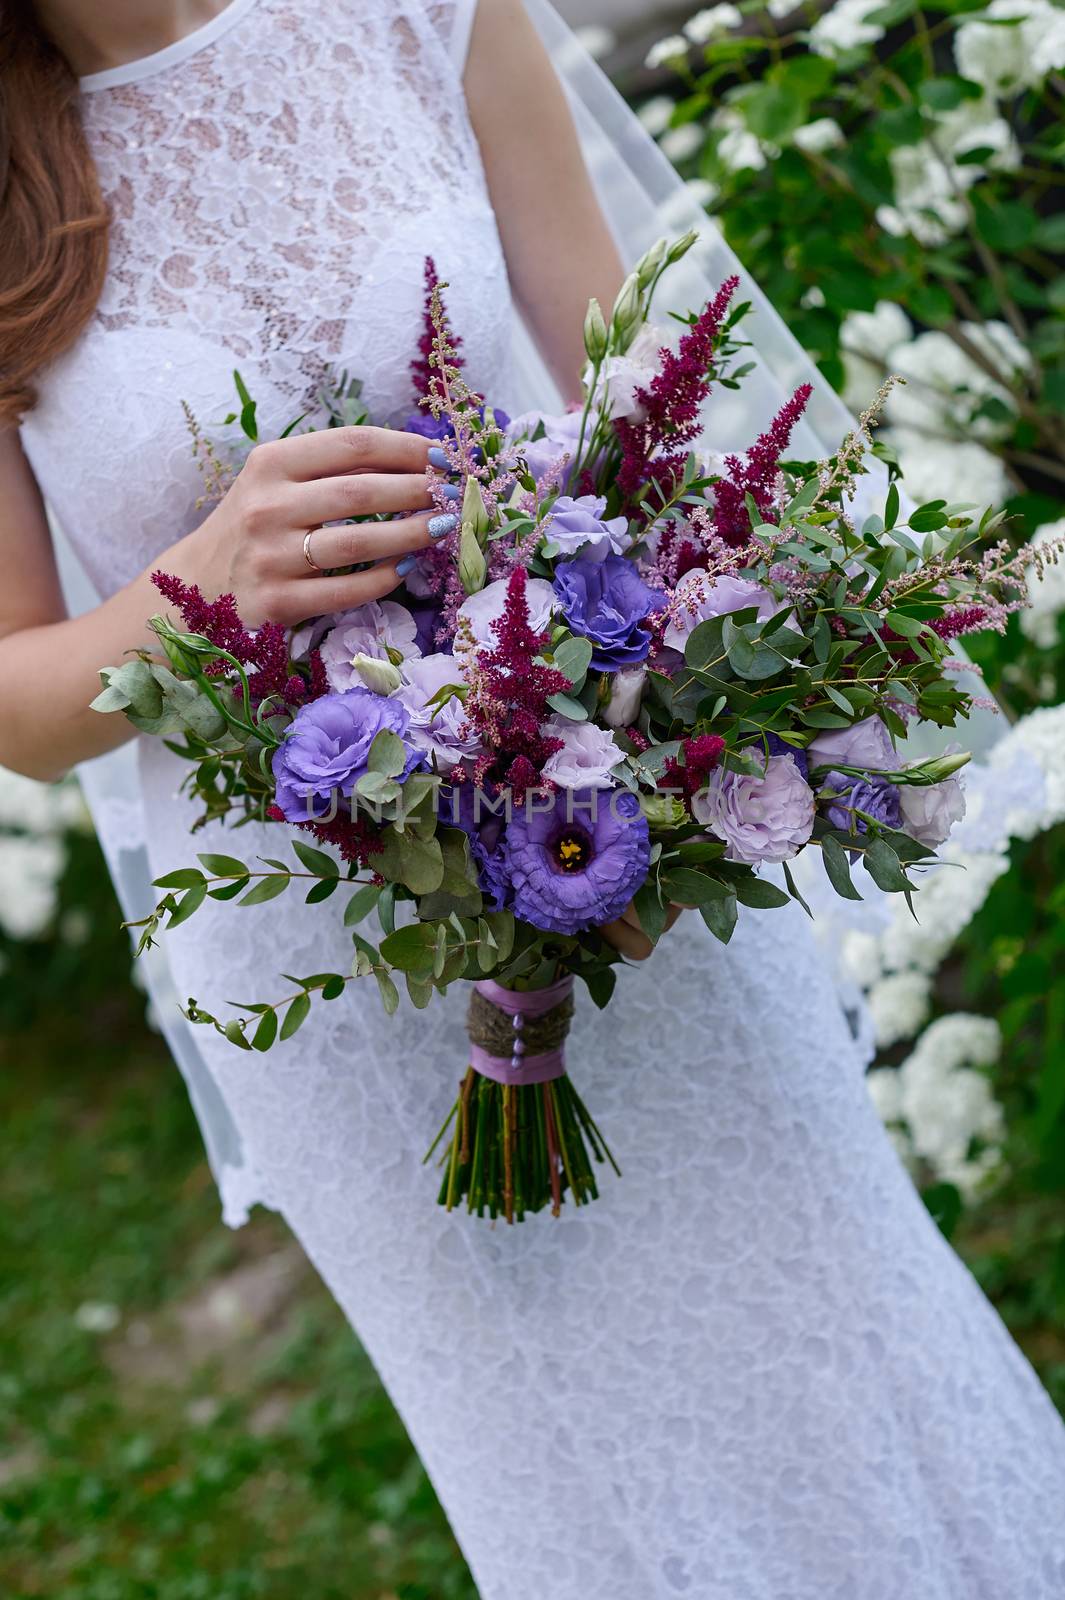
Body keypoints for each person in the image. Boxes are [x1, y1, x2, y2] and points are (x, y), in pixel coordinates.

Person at [2, 3, 1063, 1596]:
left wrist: (676, 717)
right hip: (334, 973)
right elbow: (19, 705)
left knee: (851, 1343)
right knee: (586, 1492)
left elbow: (645, 403)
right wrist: (196, 583)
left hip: (628, 845)